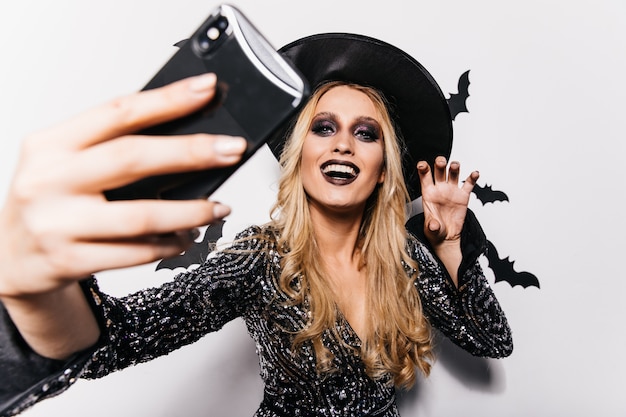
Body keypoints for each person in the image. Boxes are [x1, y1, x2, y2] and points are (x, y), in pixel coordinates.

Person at [0, 33, 512, 416]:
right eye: (324, 127)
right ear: (300, 155)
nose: (342, 145)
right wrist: (40, 285)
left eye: (366, 134)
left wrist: (446, 244)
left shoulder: (404, 258)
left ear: (384, 172)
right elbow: (117, 341)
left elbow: (493, 342)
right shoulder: (262, 258)